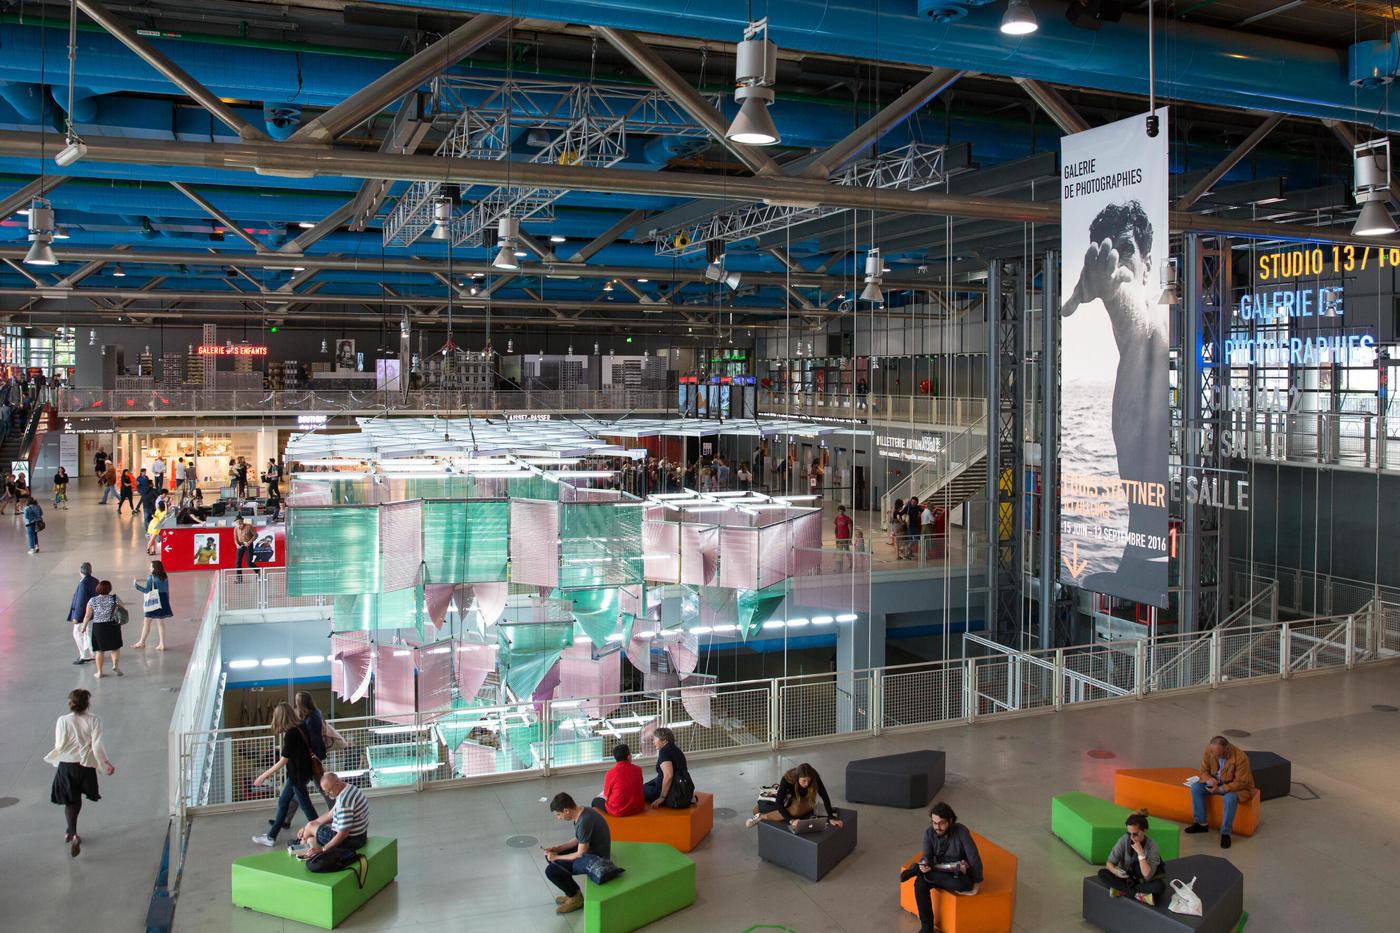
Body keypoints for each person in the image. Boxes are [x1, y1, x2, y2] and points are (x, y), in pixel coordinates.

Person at [1062, 200, 1168, 597]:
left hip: (1156, 565)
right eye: (1108, 252)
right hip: (1137, 560)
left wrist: (1114, 294)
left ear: (1147, 261)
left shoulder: (1155, 339)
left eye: (1126, 250)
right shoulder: (1128, 362)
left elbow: (1139, 318)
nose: (1117, 264)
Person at [45, 688, 115, 858]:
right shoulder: (95, 720)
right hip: (85, 765)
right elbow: (97, 745)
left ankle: (72, 832)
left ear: (71, 704)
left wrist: (56, 758)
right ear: (87, 703)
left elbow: (60, 744)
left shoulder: (62, 720)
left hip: (67, 765)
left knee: (71, 801)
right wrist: (105, 764)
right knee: (77, 800)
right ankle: (71, 831)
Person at [902, 802, 983, 933]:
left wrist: (977, 884)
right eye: (934, 823)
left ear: (950, 821)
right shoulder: (929, 833)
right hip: (936, 869)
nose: (937, 827)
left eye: (941, 823)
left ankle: (917, 870)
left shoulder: (961, 831)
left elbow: (974, 858)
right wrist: (924, 864)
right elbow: (927, 856)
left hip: (955, 873)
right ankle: (927, 928)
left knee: (964, 884)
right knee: (919, 886)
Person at [251, 701, 318, 846]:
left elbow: (283, 761)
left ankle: (321, 832)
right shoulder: (301, 726)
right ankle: (271, 837)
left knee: (308, 809)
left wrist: (262, 776)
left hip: (297, 776)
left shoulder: (291, 734)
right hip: (302, 773)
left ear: (280, 717)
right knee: (283, 802)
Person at [543, 792, 612, 915]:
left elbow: (580, 853)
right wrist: (558, 849)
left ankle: (576, 898)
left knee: (551, 871)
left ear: (566, 811)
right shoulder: (582, 812)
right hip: (589, 849)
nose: (558, 818)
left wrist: (557, 857)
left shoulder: (585, 820)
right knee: (551, 858)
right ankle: (573, 892)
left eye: (558, 815)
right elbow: (578, 839)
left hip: (596, 858)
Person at [1185, 735, 1256, 848]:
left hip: (1235, 788)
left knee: (1230, 798)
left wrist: (1221, 789)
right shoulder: (1210, 751)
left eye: (1218, 754)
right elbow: (1203, 770)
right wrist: (1208, 779)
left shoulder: (1241, 758)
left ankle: (1225, 833)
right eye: (1213, 752)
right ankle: (1201, 823)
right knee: (1196, 788)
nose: (1215, 756)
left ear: (1227, 749)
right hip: (1216, 783)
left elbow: (1241, 782)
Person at [745, 762, 845, 830]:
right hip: (789, 800)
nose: (806, 784)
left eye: (808, 781)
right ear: (797, 778)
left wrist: (831, 818)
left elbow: (824, 795)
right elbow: (779, 803)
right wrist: (791, 820)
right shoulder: (787, 779)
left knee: (800, 809)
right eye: (803, 781)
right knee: (757, 810)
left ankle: (761, 816)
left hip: (804, 799)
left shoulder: (814, 777)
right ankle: (761, 816)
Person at [1098, 811, 1166, 905]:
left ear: (1145, 831)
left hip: (1142, 882)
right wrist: (1116, 871)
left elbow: (1147, 875)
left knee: (1160, 887)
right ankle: (1137, 895)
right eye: (1129, 833)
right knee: (1102, 873)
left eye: (1135, 834)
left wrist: (1141, 854)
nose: (1131, 837)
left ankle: (1122, 891)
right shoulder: (1124, 840)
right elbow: (1109, 863)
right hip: (1126, 879)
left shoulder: (1152, 847)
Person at [295, 772, 368, 857]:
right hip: (360, 836)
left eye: (328, 791)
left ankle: (299, 847)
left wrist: (323, 849)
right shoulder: (349, 788)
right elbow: (331, 815)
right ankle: (305, 845)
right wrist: (306, 827)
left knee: (311, 826)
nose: (327, 794)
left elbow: (343, 834)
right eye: (325, 792)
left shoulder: (344, 803)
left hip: (350, 841)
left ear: (337, 784)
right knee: (310, 835)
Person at [295, 691, 333, 806]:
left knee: (300, 786)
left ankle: (335, 809)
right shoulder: (316, 714)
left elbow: (313, 739)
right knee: (300, 787)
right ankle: (285, 817)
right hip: (314, 756)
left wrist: (313, 755)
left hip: (311, 757)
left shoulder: (311, 718)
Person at [81, 580, 123, 677]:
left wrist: (83, 627)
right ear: (109, 589)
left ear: (98, 588)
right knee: (115, 647)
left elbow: (87, 616)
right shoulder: (114, 598)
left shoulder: (93, 600)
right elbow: (122, 608)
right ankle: (115, 665)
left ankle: (99, 672)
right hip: (112, 625)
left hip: (99, 627)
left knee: (99, 650)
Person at [645, 726, 694, 808]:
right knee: (645, 785)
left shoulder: (664, 752)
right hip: (680, 785)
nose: (653, 742)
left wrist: (661, 798)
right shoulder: (676, 750)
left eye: (655, 739)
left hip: (668, 789)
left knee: (639, 790)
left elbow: (668, 776)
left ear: (664, 740)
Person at [591, 744, 645, 817]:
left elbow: (606, 796)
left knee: (595, 801)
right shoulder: (638, 769)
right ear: (629, 756)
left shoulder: (610, 773)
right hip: (638, 808)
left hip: (618, 811)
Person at [132, 559, 172, 651]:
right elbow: (167, 589)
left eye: (151, 566)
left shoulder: (151, 577)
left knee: (147, 621)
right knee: (160, 622)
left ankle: (142, 642)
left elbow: (147, 591)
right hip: (163, 599)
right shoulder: (164, 576)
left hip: (154, 600)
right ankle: (162, 644)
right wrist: (167, 600)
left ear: (154, 568)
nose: (149, 567)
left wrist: (136, 585)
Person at [67, 562, 99, 665]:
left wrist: (77, 617)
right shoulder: (95, 581)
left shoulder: (83, 584)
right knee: (89, 634)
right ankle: (93, 653)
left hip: (85, 615)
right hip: (94, 613)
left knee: (78, 633)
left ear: (80, 572)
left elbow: (81, 602)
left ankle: (84, 655)